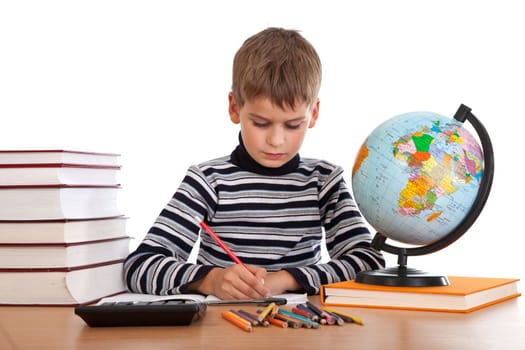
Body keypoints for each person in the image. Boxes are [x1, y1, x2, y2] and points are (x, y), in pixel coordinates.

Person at [124, 27, 384, 300]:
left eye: (293, 125)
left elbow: (369, 263)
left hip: (300, 331)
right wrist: (209, 280)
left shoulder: (323, 182)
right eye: (260, 123)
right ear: (235, 108)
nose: (276, 140)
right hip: (221, 331)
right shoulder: (208, 181)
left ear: (314, 114)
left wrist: (285, 279)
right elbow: (139, 266)